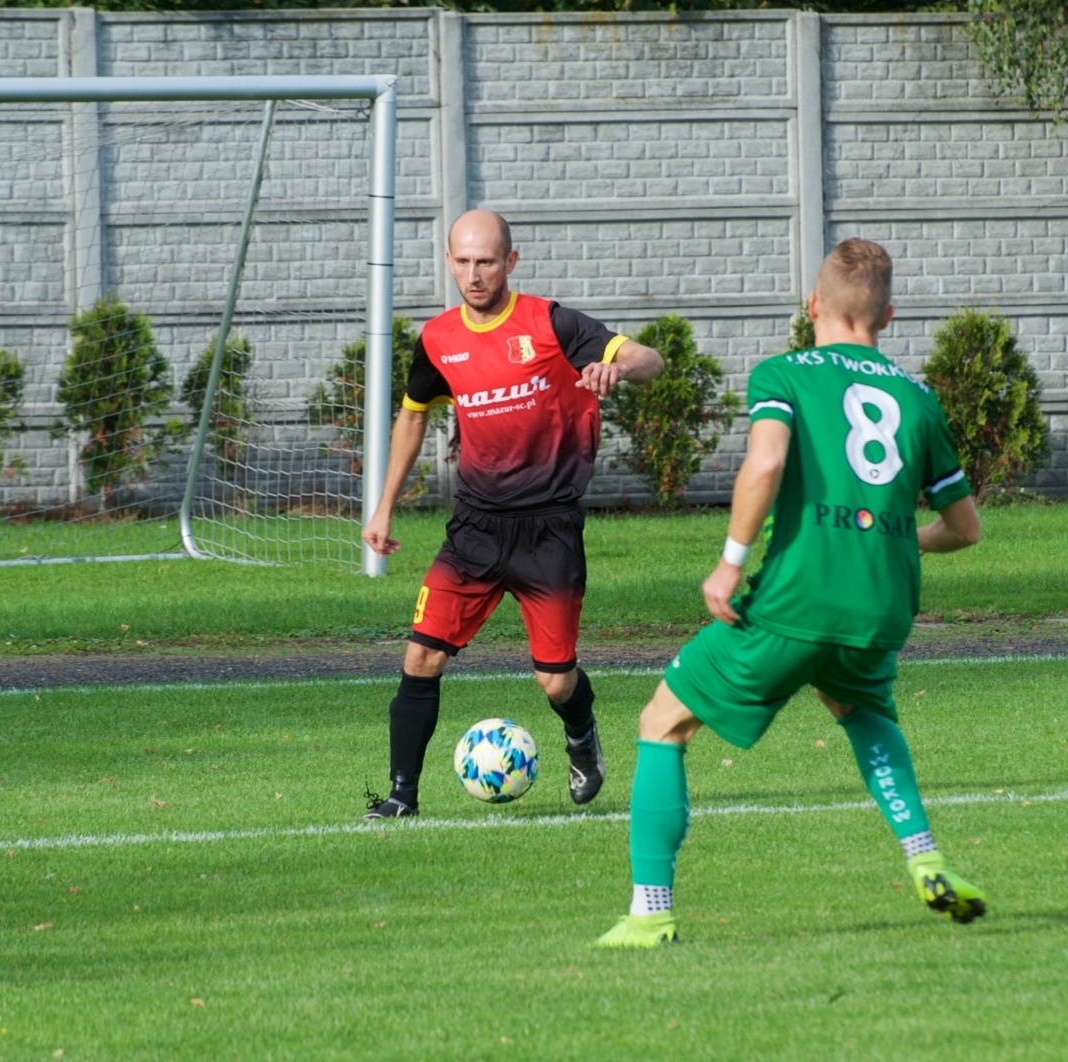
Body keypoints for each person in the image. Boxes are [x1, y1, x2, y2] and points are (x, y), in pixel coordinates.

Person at [595, 237, 985, 947]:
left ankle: (650, 912)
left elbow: (767, 462)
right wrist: (898, 538)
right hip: (881, 605)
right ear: (888, 316)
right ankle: (926, 858)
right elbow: (965, 528)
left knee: (663, 721)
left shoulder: (784, 374)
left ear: (812, 306)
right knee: (863, 710)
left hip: (798, 597)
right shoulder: (918, 398)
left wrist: (730, 563)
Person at [361, 209, 664, 819]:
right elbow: (414, 415)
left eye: (487, 262)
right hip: (474, 528)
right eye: (464, 262)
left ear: (510, 262)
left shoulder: (552, 323)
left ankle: (580, 733)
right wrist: (384, 506)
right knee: (421, 656)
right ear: (449, 263)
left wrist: (617, 366)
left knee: (555, 680)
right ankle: (400, 797)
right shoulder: (438, 339)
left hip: (549, 530)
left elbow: (650, 359)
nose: (474, 275)